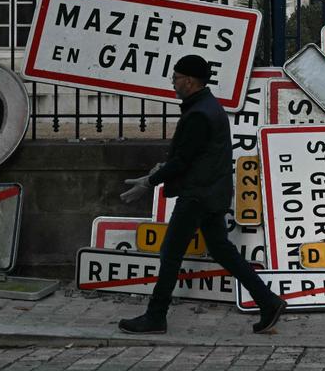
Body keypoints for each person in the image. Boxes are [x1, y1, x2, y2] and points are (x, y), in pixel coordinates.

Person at [116, 54, 286, 335]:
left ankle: (156, 317)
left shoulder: (198, 114)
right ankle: (268, 302)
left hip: (198, 194)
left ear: (190, 81)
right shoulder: (208, 107)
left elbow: (183, 161)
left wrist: (150, 182)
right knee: (222, 250)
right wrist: (158, 172)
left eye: (176, 79)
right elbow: (194, 155)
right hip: (212, 191)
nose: (173, 84)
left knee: (170, 252)